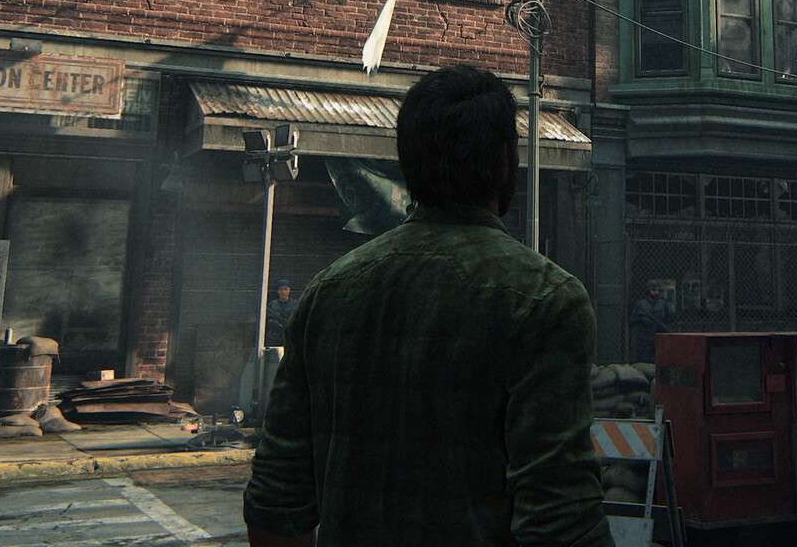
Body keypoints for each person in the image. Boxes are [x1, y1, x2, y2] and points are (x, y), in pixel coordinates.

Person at [243, 65, 612, 547]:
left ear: (406, 161)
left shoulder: (328, 293)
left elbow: (276, 506)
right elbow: (562, 521)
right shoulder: (545, 300)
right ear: (506, 162)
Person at [628, 280, 673, 364]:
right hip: (645, 337)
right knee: (644, 361)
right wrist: (642, 319)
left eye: (657, 289)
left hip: (660, 336)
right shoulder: (640, 304)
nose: (655, 292)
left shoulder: (663, 304)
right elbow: (632, 320)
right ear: (648, 290)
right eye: (653, 289)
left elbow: (668, 319)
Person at [265, 279, 297, 349]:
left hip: (289, 336)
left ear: (289, 290)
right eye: (281, 289)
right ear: (278, 291)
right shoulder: (272, 304)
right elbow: (268, 319)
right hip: (274, 337)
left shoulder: (295, 304)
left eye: (286, 289)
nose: (283, 292)